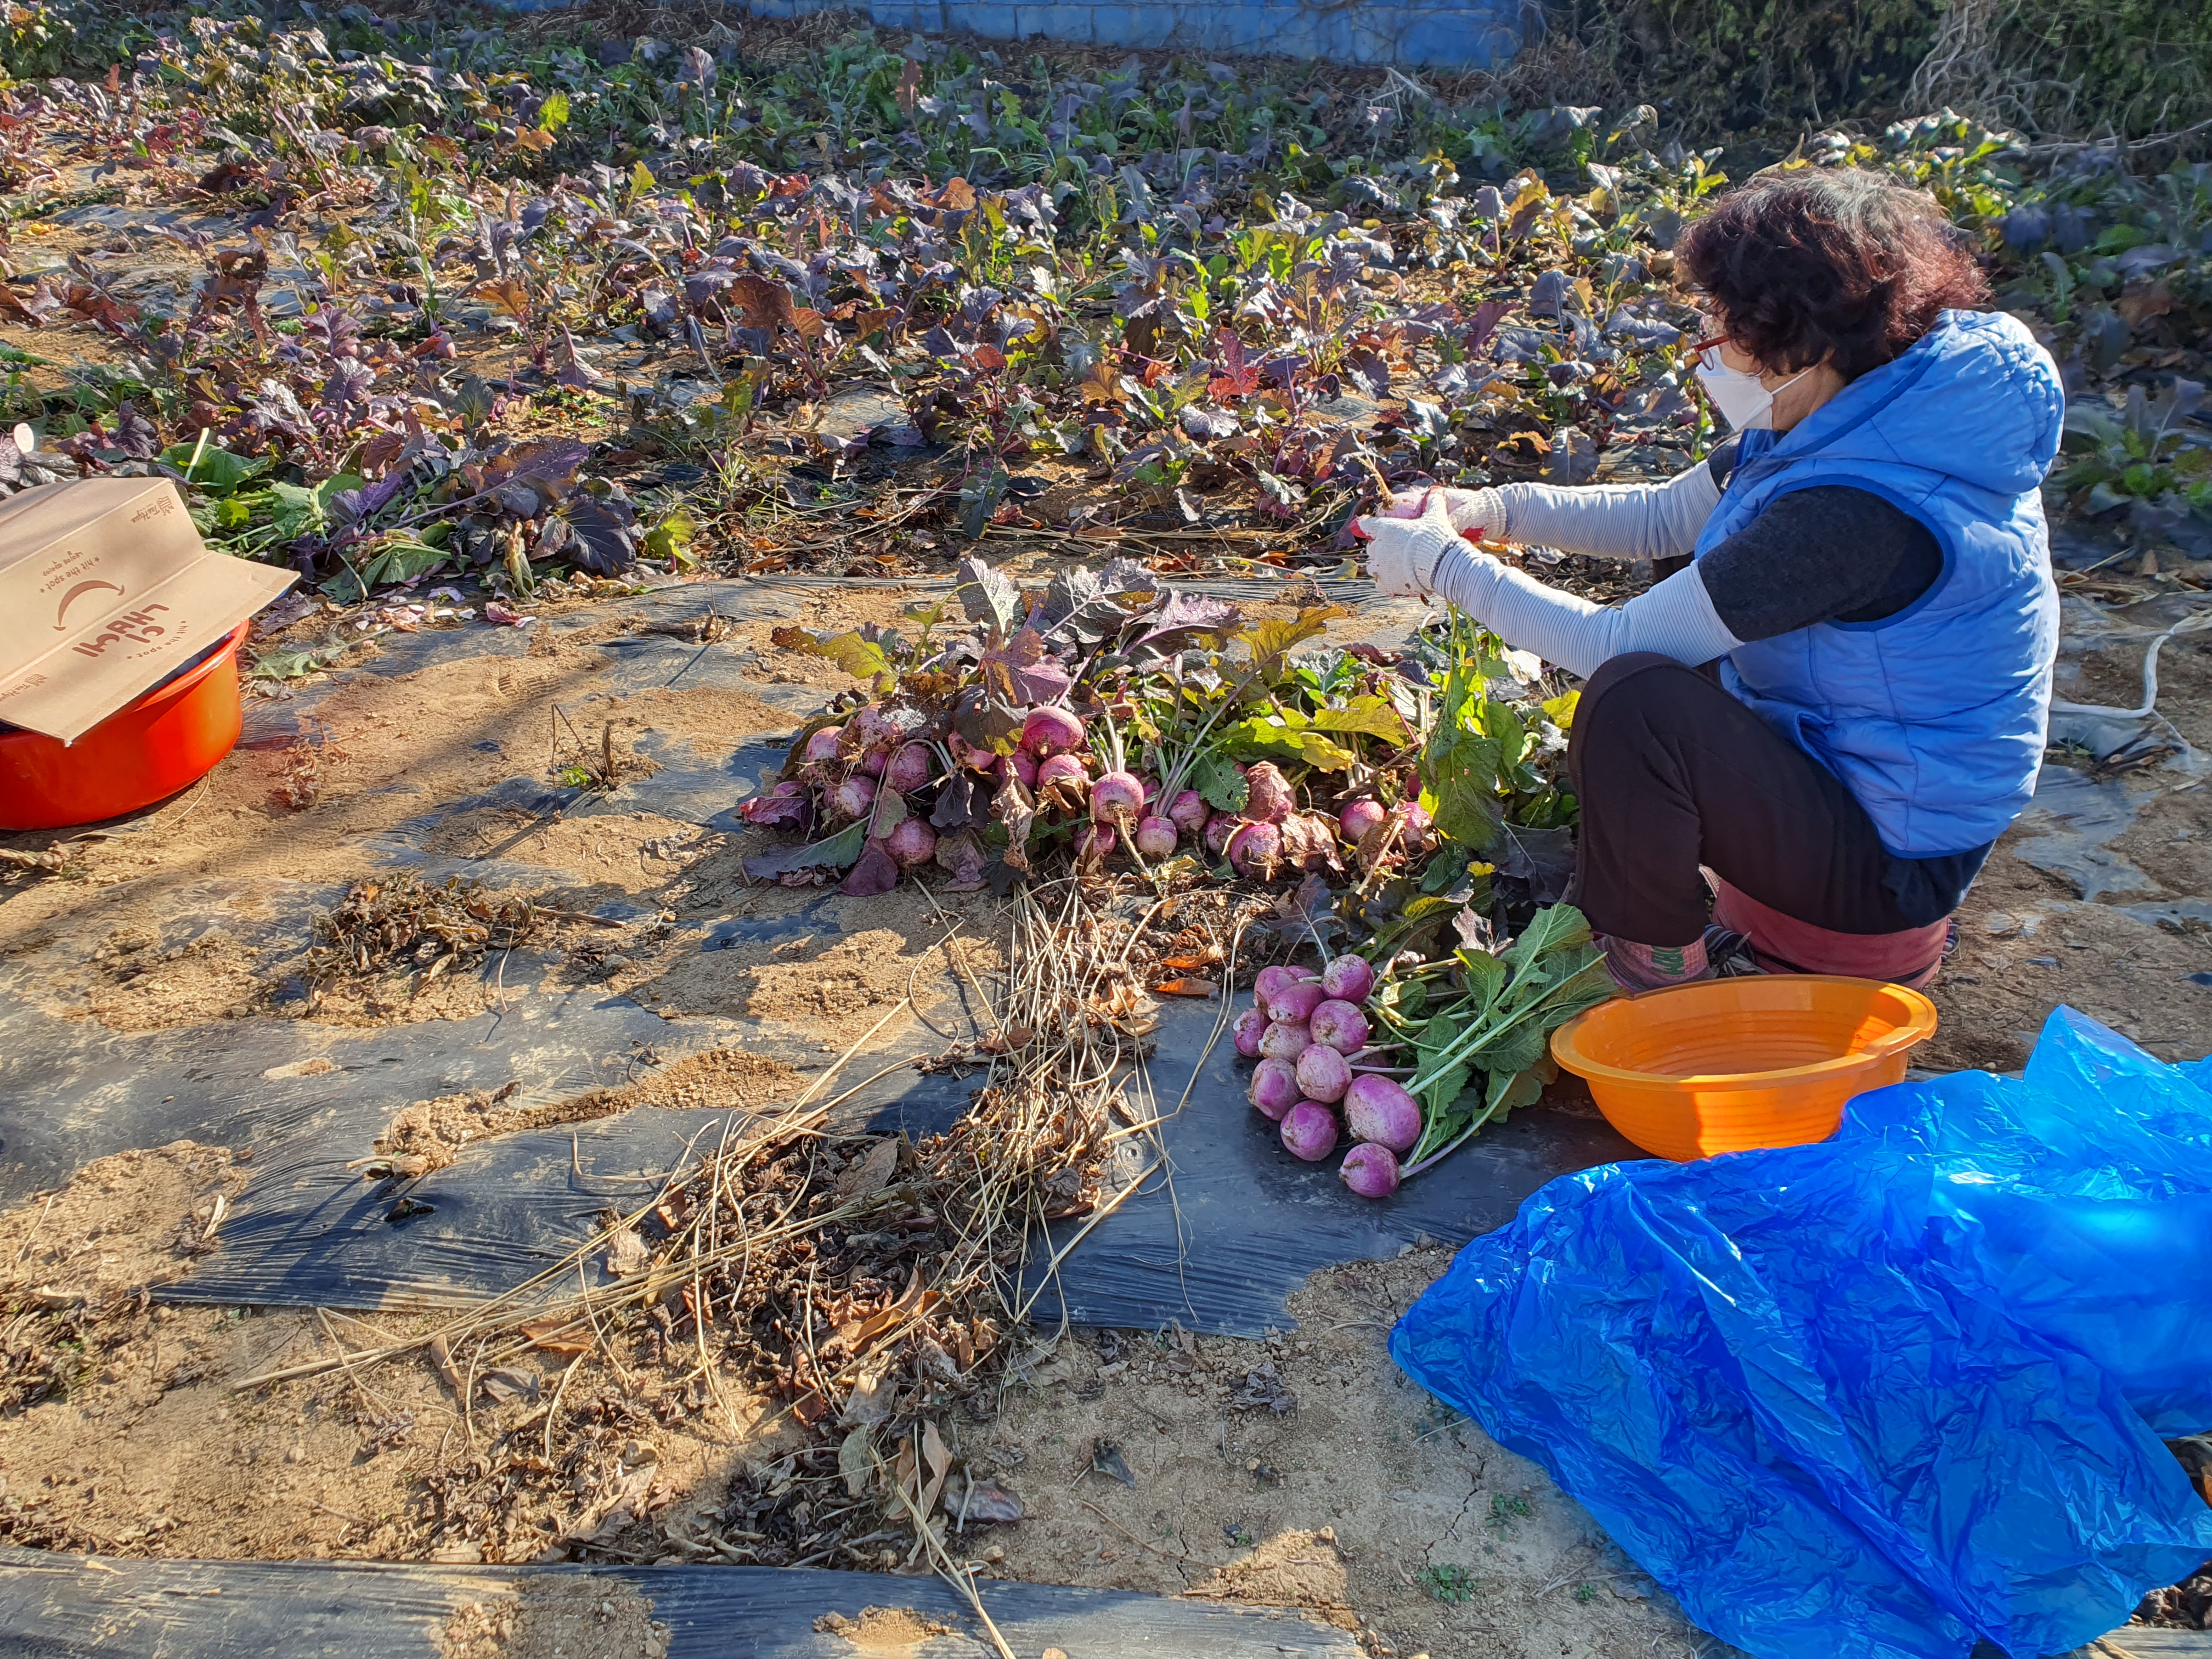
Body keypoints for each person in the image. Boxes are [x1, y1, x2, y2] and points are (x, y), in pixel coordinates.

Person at [1356, 167, 2062, 993]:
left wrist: (1442, 565)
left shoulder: (1855, 514)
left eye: (1728, 328)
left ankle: (1657, 975)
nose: (1711, 347)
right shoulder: (1868, 409)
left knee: (1633, 705)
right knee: (1687, 589)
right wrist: (1489, 507)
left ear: (1804, 341)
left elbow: (1611, 645)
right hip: (1856, 776)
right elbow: (1663, 516)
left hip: (1889, 867)